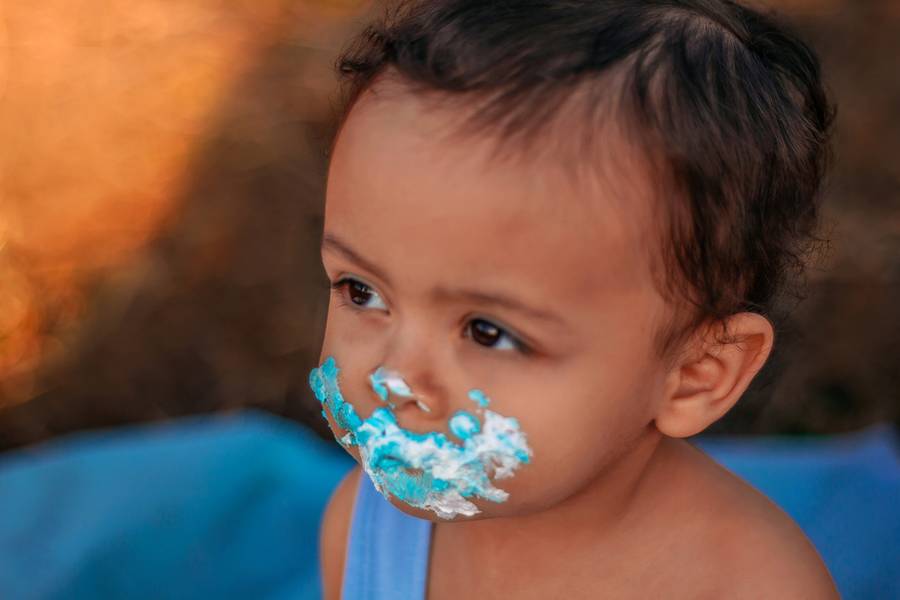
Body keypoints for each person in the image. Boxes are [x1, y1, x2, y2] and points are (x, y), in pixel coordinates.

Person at [311, 0, 838, 597]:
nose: (393, 377)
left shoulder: (749, 587)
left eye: (489, 331)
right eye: (362, 291)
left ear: (694, 375)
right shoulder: (363, 525)